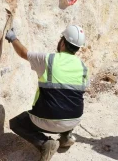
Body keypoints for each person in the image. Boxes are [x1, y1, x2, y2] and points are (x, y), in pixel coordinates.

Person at [5, 25, 90, 161]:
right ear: (77, 48)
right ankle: (65, 137)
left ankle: (44, 143)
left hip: (47, 121)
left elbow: (23, 53)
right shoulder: (83, 67)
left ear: (62, 42)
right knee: (69, 102)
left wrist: (13, 38)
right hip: (74, 119)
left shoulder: (48, 59)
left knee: (16, 123)